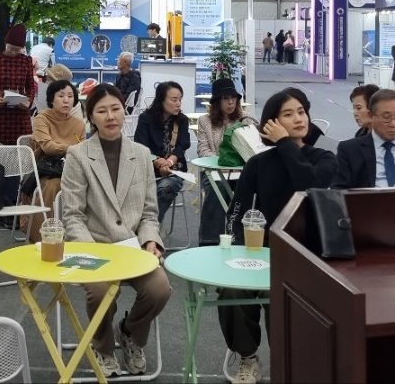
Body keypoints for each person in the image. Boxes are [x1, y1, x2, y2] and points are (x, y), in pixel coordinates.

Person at [219, 87, 336, 384]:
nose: (298, 118)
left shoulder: (324, 158)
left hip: (307, 253)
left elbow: (308, 184)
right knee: (231, 291)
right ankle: (248, 356)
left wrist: (285, 143)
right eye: (288, 114)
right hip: (262, 251)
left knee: (279, 293)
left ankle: (286, 362)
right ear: (272, 123)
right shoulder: (259, 164)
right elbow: (236, 212)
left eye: (301, 112)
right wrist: (235, 250)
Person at [57, 84, 171, 376]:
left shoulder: (142, 154)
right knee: (100, 291)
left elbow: (149, 213)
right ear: (90, 117)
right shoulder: (78, 155)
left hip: (133, 248)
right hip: (94, 247)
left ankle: (129, 331)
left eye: (116, 109)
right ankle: (103, 346)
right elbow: (72, 215)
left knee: (159, 289)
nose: (110, 116)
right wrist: (92, 253)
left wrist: (150, 242)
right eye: (102, 111)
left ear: (124, 111)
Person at [331, 89, 395, 188]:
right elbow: (338, 190)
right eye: (386, 118)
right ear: (371, 116)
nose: (393, 124)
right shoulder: (350, 150)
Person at [195, 78, 254, 244]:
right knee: (219, 186)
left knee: (248, 188)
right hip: (214, 171)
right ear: (217, 102)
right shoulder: (205, 121)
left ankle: (241, 238)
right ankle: (210, 241)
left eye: (233, 98)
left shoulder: (246, 119)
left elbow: (253, 149)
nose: (231, 102)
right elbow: (203, 150)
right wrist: (222, 164)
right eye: (226, 98)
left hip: (241, 172)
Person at [28, 77, 85, 240]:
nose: (66, 100)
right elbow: (47, 147)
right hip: (48, 169)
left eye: (70, 96)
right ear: (51, 99)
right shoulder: (41, 119)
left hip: (73, 168)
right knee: (55, 185)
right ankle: (45, 235)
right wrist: (72, 148)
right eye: (61, 96)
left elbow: (84, 151)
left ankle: (80, 234)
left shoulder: (79, 124)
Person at [134, 80, 190, 218]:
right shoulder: (146, 118)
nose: (178, 103)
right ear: (161, 100)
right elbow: (141, 145)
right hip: (148, 169)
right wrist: (158, 162)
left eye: (180, 99)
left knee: (166, 188)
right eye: (174, 100)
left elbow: (182, 145)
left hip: (174, 170)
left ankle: (150, 223)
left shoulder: (182, 120)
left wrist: (169, 162)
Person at [0, 24, 36, 146]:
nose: (13, 52)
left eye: (17, 49)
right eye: (11, 48)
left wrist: (29, 101)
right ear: (6, 44)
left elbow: (31, 86)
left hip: (20, 114)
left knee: (21, 147)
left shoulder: (26, 60)